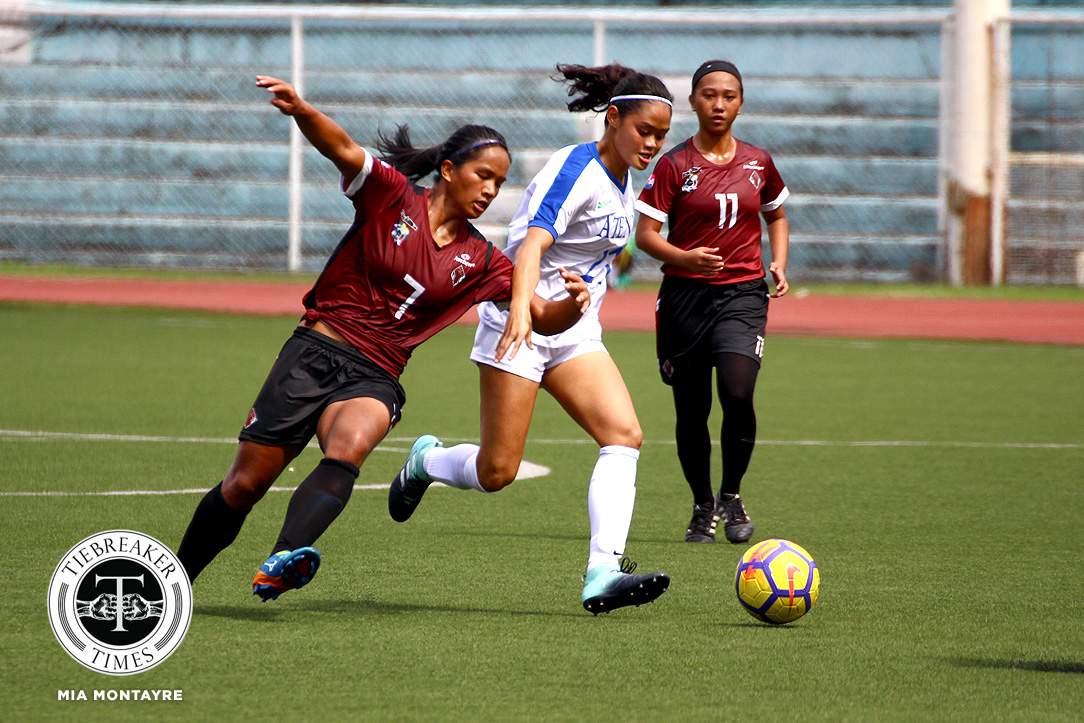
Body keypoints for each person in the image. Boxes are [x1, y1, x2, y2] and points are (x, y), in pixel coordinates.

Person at [176, 75, 588, 601]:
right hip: (314, 351)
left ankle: (284, 557)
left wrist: (571, 309)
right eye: (483, 176)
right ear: (447, 170)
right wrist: (302, 108)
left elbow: (539, 315)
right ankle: (176, 581)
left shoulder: (483, 259)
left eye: (498, 183)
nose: (490, 191)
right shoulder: (392, 197)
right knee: (245, 485)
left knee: (348, 450)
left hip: (376, 374)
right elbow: (344, 149)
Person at [388, 63, 674, 615]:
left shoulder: (622, 176)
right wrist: (521, 308)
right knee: (498, 472)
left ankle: (602, 571)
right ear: (612, 119)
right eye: (645, 131)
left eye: (662, 135)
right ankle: (427, 461)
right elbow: (531, 248)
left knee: (624, 435)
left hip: (573, 331)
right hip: (520, 324)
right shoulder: (577, 170)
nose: (654, 144)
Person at [634, 60, 791, 544]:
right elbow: (645, 236)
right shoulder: (674, 164)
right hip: (685, 299)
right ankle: (702, 504)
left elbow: (777, 214)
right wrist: (685, 257)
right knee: (692, 409)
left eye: (728, 95)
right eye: (708, 95)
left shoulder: (758, 161)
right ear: (693, 101)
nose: (718, 104)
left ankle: (732, 494)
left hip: (743, 294)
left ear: (740, 102)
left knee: (738, 392)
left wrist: (779, 262)